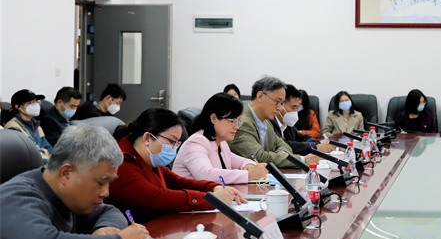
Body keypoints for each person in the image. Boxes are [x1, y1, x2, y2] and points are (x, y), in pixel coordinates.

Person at [0, 124, 150, 239]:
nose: (106, 192)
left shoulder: (68, 195)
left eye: (109, 183)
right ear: (66, 173)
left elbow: (109, 211)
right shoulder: (16, 196)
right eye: (100, 183)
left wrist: (106, 228)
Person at [107, 108, 245, 222]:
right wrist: (211, 200)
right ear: (147, 138)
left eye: (177, 143)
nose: (174, 148)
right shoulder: (121, 163)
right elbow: (157, 198)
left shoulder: (150, 159)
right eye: (171, 141)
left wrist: (213, 187)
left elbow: (178, 182)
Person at [172, 93, 269, 184]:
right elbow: (206, 175)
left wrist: (249, 166)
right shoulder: (195, 144)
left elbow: (242, 161)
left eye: (238, 121)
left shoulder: (221, 143)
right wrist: (249, 175)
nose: (237, 127)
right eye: (232, 121)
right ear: (214, 118)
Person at [230, 76, 313, 168]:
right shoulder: (240, 122)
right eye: (277, 102)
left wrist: (277, 154)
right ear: (260, 96)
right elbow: (259, 157)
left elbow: (284, 146)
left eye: (281, 103)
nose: (279, 108)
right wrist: (302, 160)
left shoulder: (267, 122)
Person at [270, 85, 333, 155]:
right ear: (280, 104)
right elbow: (285, 146)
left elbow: (304, 137)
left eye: (297, 108)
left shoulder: (287, 124)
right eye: (293, 107)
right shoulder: (270, 124)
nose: (295, 112)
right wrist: (313, 146)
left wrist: (314, 144)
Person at [4, 89, 53, 160]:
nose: (35, 105)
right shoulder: (13, 127)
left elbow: (48, 148)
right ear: (18, 107)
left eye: (36, 102)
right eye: (30, 103)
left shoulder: (37, 126)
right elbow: (28, 155)